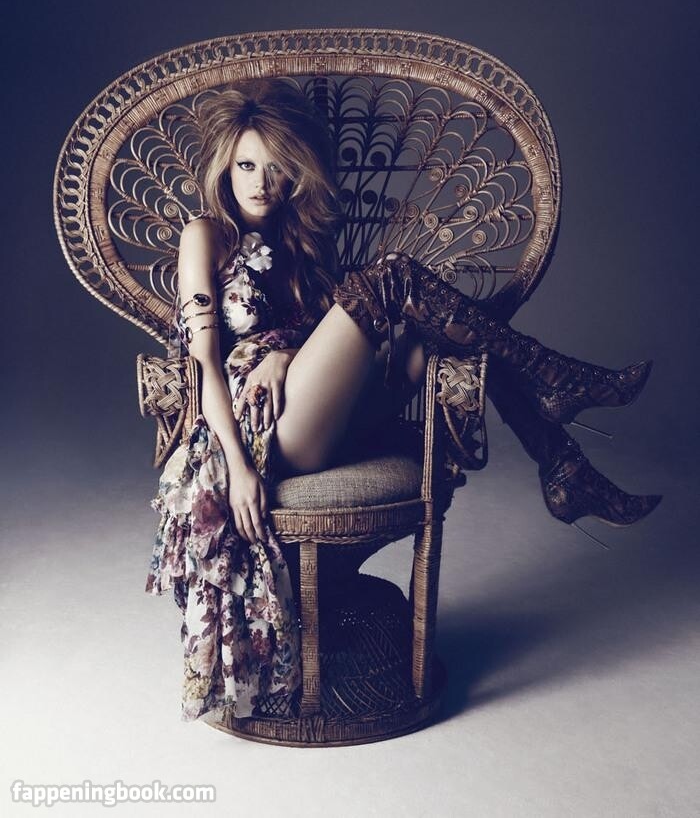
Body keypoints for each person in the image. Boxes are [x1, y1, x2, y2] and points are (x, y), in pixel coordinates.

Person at [145, 79, 661, 724]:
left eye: (277, 168)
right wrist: (240, 468)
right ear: (225, 168)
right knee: (393, 277)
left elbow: (320, 343)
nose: (261, 183)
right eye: (247, 166)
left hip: (320, 411)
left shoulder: (301, 245)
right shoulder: (205, 234)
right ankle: (555, 401)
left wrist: (287, 355)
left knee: (434, 334)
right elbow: (204, 363)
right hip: (266, 431)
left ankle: (560, 462)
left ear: (296, 175)